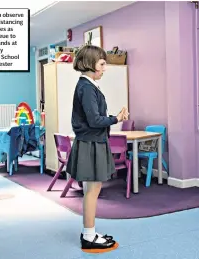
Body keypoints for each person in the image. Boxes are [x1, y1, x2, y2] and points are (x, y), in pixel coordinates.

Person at [66, 44, 129, 252]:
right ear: (91, 64)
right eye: (102, 64)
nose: (105, 68)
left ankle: (89, 232)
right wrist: (116, 118)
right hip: (91, 142)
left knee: (92, 190)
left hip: (93, 141)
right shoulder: (86, 87)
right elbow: (94, 120)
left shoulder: (88, 86)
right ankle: (89, 236)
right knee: (92, 191)